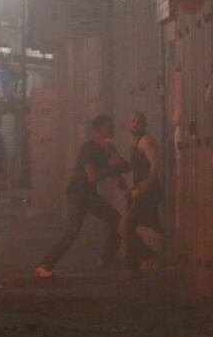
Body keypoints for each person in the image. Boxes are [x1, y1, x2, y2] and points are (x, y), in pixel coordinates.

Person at [35, 114, 130, 279]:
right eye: (109, 128)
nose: (112, 131)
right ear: (98, 131)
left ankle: (106, 260)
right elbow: (92, 177)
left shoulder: (103, 149)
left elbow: (119, 167)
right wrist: (114, 171)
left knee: (115, 219)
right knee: (73, 231)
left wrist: (114, 157)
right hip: (78, 194)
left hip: (89, 194)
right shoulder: (89, 148)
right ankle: (44, 265)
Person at [119, 111, 163, 279]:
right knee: (151, 225)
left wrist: (147, 183)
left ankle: (134, 267)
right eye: (133, 121)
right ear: (129, 125)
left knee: (127, 225)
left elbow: (156, 163)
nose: (135, 124)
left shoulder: (146, 140)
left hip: (148, 191)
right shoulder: (136, 143)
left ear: (144, 124)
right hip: (139, 190)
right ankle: (152, 258)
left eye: (139, 121)